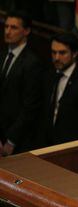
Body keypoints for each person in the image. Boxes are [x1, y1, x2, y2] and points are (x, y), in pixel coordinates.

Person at [37, 33, 78, 147]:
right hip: (47, 145)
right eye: (53, 52)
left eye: (62, 53)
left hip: (70, 148)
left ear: (75, 53)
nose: (57, 58)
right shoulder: (48, 76)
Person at [0, 11, 43, 156]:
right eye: (6, 27)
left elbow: (29, 106)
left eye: (13, 28)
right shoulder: (2, 55)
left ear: (26, 31)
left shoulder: (32, 63)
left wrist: (11, 140)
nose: (7, 32)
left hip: (17, 140)